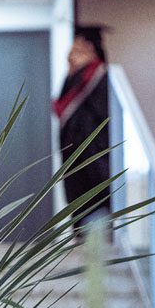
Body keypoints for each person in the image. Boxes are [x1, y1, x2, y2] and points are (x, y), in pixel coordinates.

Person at [53, 25, 110, 228]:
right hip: (75, 157)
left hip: (94, 158)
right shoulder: (74, 79)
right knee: (78, 206)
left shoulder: (100, 77)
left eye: (78, 50)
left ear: (92, 51)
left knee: (96, 209)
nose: (70, 56)